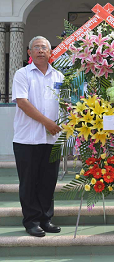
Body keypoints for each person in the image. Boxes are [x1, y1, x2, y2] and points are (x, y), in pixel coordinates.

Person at [12, 36, 64, 237]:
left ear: (51, 53)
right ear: (29, 52)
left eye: (44, 47)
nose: (41, 50)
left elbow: (65, 103)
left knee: (47, 181)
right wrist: (48, 123)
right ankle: (31, 221)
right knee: (29, 182)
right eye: (36, 47)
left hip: (52, 139)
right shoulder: (22, 74)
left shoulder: (59, 76)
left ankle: (45, 219)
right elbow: (22, 103)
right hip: (27, 139)